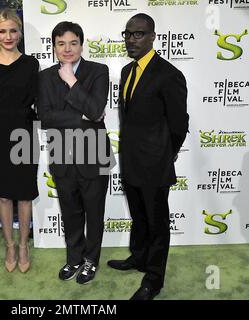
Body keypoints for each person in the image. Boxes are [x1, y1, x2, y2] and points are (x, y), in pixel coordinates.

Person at [107, 13, 189, 300]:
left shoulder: (169, 75)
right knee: (139, 216)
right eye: (127, 34)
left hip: (155, 164)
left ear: (153, 36)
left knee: (157, 222)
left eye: (138, 34)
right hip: (130, 161)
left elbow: (179, 124)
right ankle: (139, 258)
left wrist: (166, 153)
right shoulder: (128, 72)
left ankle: (154, 279)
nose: (131, 39)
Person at [37, 21, 115, 285]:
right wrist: (85, 113)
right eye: (61, 44)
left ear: (81, 44)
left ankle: (91, 260)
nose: (67, 49)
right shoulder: (44, 77)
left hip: (94, 156)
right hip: (62, 157)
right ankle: (74, 259)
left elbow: (94, 111)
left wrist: (71, 81)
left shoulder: (98, 71)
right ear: (54, 47)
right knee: (70, 213)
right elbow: (46, 118)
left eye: (73, 43)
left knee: (94, 213)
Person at [0, 9, 39, 273]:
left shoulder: (30, 64)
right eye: (2, 31)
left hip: (25, 133)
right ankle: (9, 245)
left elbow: (40, 101)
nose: (8, 36)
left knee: (25, 195)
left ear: (20, 33)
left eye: (13, 30)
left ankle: (24, 245)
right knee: (3, 196)